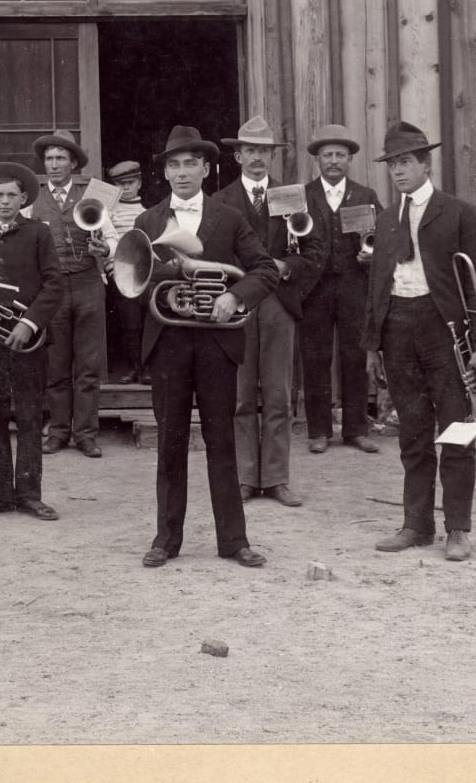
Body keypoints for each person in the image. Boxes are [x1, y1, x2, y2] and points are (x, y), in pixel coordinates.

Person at [132, 126, 279, 569]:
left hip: (218, 344)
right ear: (165, 173)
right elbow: (135, 284)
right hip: (169, 344)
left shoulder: (230, 216)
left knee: (221, 442)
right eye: (173, 165)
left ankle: (234, 541)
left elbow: (265, 269)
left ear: (207, 169)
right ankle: (166, 540)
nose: (181, 173)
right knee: (170, 444)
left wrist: (234, 296)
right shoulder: (148, 221)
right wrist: (165, 279)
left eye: (190, 163)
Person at [361, 121, 476, 563]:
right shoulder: (385, 218)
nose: (397, 172)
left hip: (444, 329)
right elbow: (377, 284)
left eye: (405, 163)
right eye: (392, 165)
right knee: (413, 432)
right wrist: (372, 346)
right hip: (397, 326)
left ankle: (457, 528)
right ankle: (417, 524)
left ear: (425, 164)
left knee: (456, 430)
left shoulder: (457, 212)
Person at [216, 116, 326, 507]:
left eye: (264, 151)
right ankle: (246, 478)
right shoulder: (222, 200)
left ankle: (277, 479)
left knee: (278, 394)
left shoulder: (293, 196)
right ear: (237, 155)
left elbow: (315, 252)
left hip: (279, 302)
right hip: (240, 303)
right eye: (250, 150)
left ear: (271, 156)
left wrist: (285, 268)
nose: (257, 158)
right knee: (242, 395)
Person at [0, 162, 66, 522]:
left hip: (28, 338)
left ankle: (30, 494)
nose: (5, 201)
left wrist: (30, 322)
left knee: (31, 415)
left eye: (12, 195)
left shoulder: (39, 233)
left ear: (23, 198)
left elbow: (54, 284)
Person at [299, 124, 382, 454]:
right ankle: (319, 431)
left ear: (350, 160)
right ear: (317, 160)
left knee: (355, 355)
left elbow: (383, 240)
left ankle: (356, 428)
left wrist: (369, 257)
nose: (334, 161)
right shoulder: (302, 195)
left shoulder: (366, 196)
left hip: (353, 285)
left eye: (340, 155)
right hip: (314, 289)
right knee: (315, 357)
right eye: (327, 155)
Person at [30, 129, 113, 458]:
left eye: (60, 158)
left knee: (89, 365)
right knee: (56, 363)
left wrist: (105, 248)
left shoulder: (94, 194)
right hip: (52, 289)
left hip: (88, 283)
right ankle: (59, 431)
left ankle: (86, 434)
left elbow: (114, 238)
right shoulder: (31, 198)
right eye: (49, 159)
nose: (53, 164)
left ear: (73, 162)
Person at [102, 160, 149, 383]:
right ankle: (133, 367)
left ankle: (147, 368)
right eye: (120, 185)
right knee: (129, 323)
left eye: (130, 183)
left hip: (145, 275)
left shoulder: (147, 213)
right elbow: (106, 243)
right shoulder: (108, 214)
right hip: (119, 275)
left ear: (139, 183)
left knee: (147, 321)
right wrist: (113, 267)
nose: (126, 188)